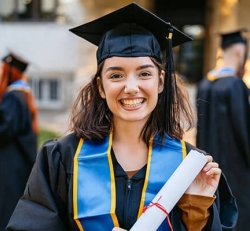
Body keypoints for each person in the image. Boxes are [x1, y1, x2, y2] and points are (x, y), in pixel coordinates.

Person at [7, 3, 237, 231]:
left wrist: (197, 212)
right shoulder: (61, 158)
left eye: (144, 73)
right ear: (100, 86)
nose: (131, 87)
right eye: (116, 75)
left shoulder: (190, 166)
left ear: (160, 81)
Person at [196, 28, 250, 231]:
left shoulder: (205, 84)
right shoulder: (236, 87)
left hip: (211, 168)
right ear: (240, 52)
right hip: (238, 169)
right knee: (243, 214)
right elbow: (246, 132)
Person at [0, 52, 39, 230]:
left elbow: (4, 131)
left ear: (10, 71)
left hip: (10, 168)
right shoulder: (23, 95)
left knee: (7, 212)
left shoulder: (13, 97)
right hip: (19, 165)